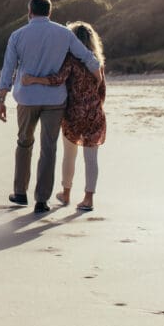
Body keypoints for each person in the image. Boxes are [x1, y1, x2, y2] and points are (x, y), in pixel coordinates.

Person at [0, 0, 101, 214]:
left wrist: (2, 98)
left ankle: (20, 193)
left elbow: (8, 69)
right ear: (50, 12)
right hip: (55, 100)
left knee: (24, 143)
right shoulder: (64, 34)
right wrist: (98, 76)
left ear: (29, 11)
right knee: (49, 148)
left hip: (27, 98)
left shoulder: (17, 36)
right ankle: (42, 200)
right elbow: (87, 57)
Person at [22, 22, 106, 212]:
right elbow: (102, 90)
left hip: (73, 114)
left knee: (69, 155)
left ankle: (66, 193)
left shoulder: (70, 60)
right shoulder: (96, 62)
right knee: (91, 158)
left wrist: (34, 79)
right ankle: (88, 199)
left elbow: (57, 80)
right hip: (94, 113)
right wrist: (94, 107)